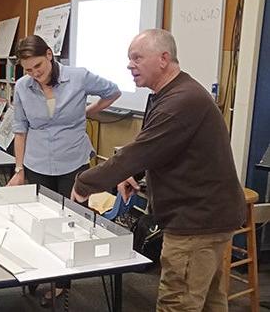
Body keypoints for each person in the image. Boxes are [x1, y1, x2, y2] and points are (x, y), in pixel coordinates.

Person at [71, 29, 245, 312]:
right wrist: (135, 174)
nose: (130, 65)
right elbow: (160, 149)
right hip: (208, 215)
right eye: (129, 58)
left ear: (164, 58)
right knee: (209, 300)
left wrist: (84, 183)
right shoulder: (169, 94)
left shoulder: (179, 101)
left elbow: (138, 151)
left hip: (195, 222)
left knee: (177, 301)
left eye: (137, 57)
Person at [7, 35, 120, 304]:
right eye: (28, 70)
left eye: (38, 67)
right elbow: (20, 130)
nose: (35, 74)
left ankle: (61, 282)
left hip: (73, 161)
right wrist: (19, 169)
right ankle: (39, 271)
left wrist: (89, 111)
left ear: (49, 55)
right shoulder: (23, 87)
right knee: (40, 220)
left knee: (70, 222)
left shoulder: (78, 77)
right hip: (37, 162)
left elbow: (113, 91)